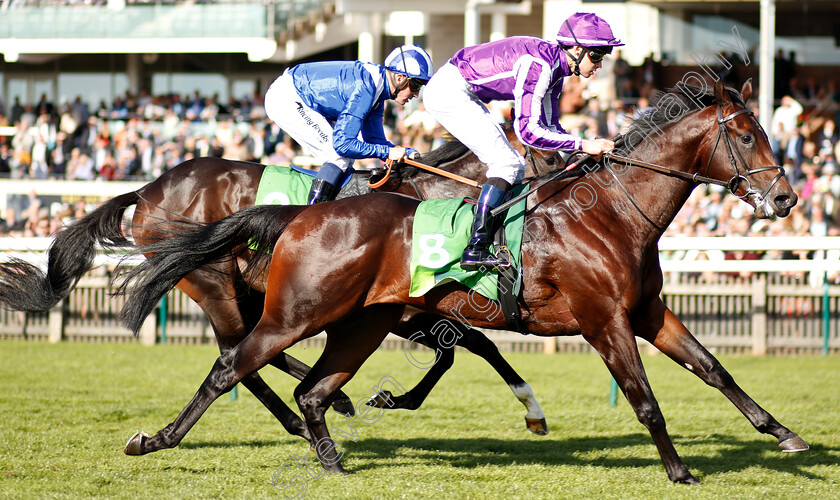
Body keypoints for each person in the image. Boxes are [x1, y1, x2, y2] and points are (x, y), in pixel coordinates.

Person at [423, 12, 622, 270]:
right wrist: (584, 145)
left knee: (511, 165)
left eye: (603, 56)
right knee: (507, 164)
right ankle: (476, 247)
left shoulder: (556, 70)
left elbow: (551, 128)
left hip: (465, 91)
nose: (599, 64)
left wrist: (582, 147)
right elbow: (528, 132)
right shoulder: (539, 66)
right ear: (576, 49)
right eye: (596, 55)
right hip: (449, 92)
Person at [264, 44, 433, 204]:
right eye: (416, 85)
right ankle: (312, 214)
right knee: (337, 156)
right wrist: (388, 151)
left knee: (345, 160)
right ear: (399, 78)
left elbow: (374, 141)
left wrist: (406, 153)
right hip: (287, 98)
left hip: (295, 93)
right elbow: (343, 144)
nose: (416, 94)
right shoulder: (366, 88)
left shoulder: (377, 90)